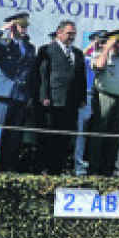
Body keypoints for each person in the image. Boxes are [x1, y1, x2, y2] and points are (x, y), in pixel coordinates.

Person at [0, 11, 37, 170]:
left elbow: (31, 73)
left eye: (26, 25)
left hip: (21, 96)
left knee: (14, 135)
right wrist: (4, 29)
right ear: (13, 25)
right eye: (21, 25)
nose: (24, 28)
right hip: (3, 94)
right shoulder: (4, 43)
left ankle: (8, 167)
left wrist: (30, 95)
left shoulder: (29, 47)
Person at [30, 20, 87, 174]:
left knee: (64, 138)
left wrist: (82, 98)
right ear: (59, 33)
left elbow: (81, 77)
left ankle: (57, 169)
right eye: (69, 33)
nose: (71, 37)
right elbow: (43, 75)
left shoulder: (77, 53)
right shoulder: (47, 50)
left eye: (73, 34)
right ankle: (42, 170)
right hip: (52, 101)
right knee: (47, 138)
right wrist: (44, 96)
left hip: (71, 103)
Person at [87, 31, 119, 176]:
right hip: (104, 97)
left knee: (113, 137)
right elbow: (99, 66)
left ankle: (108, 170)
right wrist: (106, 49)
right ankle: (94, 170)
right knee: (99, 134)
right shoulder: (99, 54)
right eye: (116, 42)